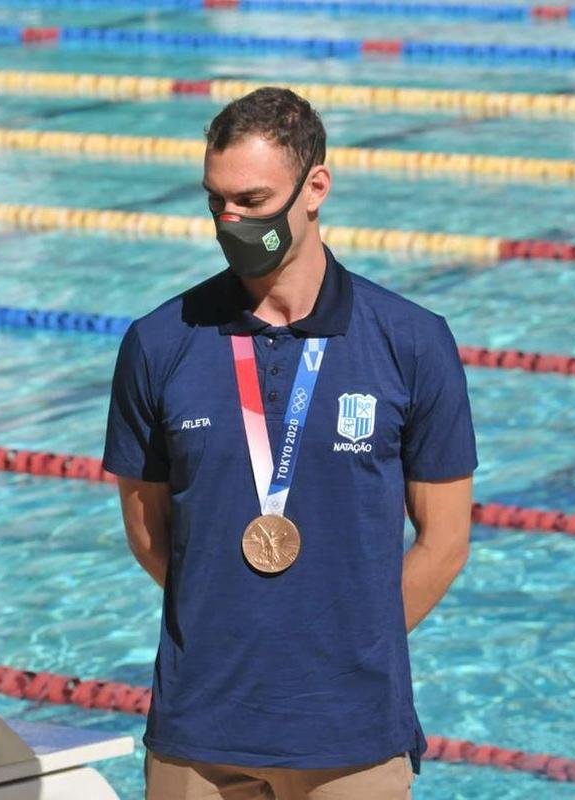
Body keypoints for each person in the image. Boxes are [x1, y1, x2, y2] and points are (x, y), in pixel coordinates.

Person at [103, 87, 475, 800]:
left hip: (352, 738)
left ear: (316, 189)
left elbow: (445, 541)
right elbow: (150, 534)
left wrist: (346, 647)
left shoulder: (411, 342)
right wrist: (236, 632)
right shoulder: (159, 342)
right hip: (199, 733)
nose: (232, 221)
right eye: (216, 201)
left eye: (253, 200)